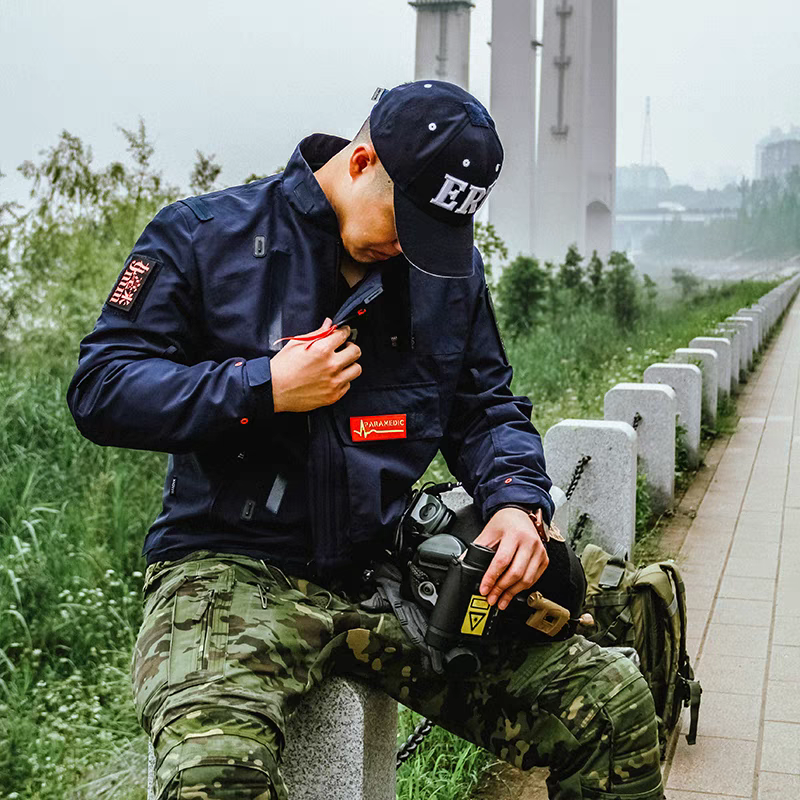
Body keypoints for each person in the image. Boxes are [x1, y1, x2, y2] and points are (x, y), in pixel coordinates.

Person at [66, 80, 664, 799]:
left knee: (608, 705)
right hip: (227, 567)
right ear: (360, 163)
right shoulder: (202, 234)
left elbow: (486, 407)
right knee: (213, 777)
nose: (410, 249)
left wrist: (514, 500)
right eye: (404, 222)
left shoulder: (445, 272)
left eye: (434, 235)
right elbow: (101, 388)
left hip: (386, 566)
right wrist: (264, 386)